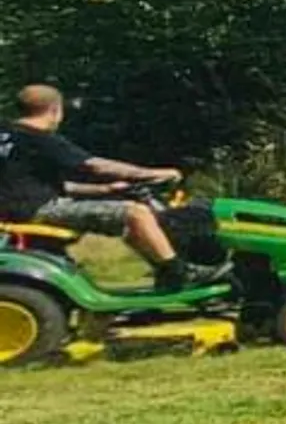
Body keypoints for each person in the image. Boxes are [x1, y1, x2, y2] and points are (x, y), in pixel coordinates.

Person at [1, 86, 191, 283]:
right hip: (40, 210)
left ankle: (164, 272)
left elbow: (36, 185)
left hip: (18, 209)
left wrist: (105, 189)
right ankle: (180, 272)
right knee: (137, 213)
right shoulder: (40, 138)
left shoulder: (8, 135)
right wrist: (152, 174)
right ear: (55, 110)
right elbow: (96, 167)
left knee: (133, 223)